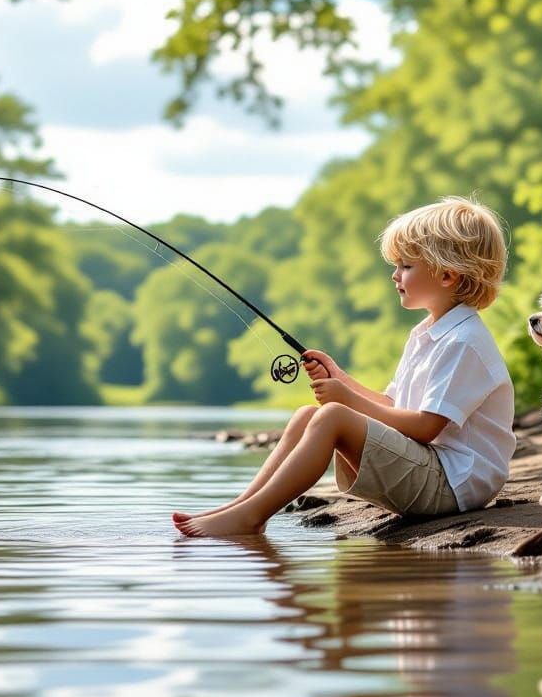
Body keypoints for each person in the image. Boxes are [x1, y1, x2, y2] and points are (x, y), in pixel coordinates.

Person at [172, 196, 515, 537]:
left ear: (447, 276)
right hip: (432, 470)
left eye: (406, 267)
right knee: (307, 415)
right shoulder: (428, 333)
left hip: (452, 487)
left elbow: (424, 427)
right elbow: (395, 408)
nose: (395, 275)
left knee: (332, 415)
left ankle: (250, 517)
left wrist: (345, 401)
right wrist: (341, 379)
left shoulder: (463, 342)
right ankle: (241, 507)